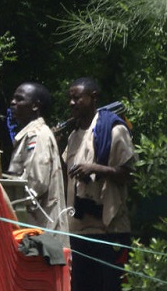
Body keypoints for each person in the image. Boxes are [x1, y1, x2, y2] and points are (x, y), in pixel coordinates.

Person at [64, 77, 135, 291]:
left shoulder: (114, 129)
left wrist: (95, 169)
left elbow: (129, 174)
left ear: (93, 98)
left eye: (77, 98)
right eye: (70, 99)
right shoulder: (74, 136)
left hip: (109, 230)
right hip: (80, 230)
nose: (72, 103)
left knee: (111, 286)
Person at [5, 82, 69, 245]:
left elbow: (34, 185)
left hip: (38, 232)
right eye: (13, 99)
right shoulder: (29, 135)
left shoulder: (37, 136)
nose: (13, 103)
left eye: (19, 99)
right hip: (33, 230)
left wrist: (3, 203)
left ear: (35, 106)